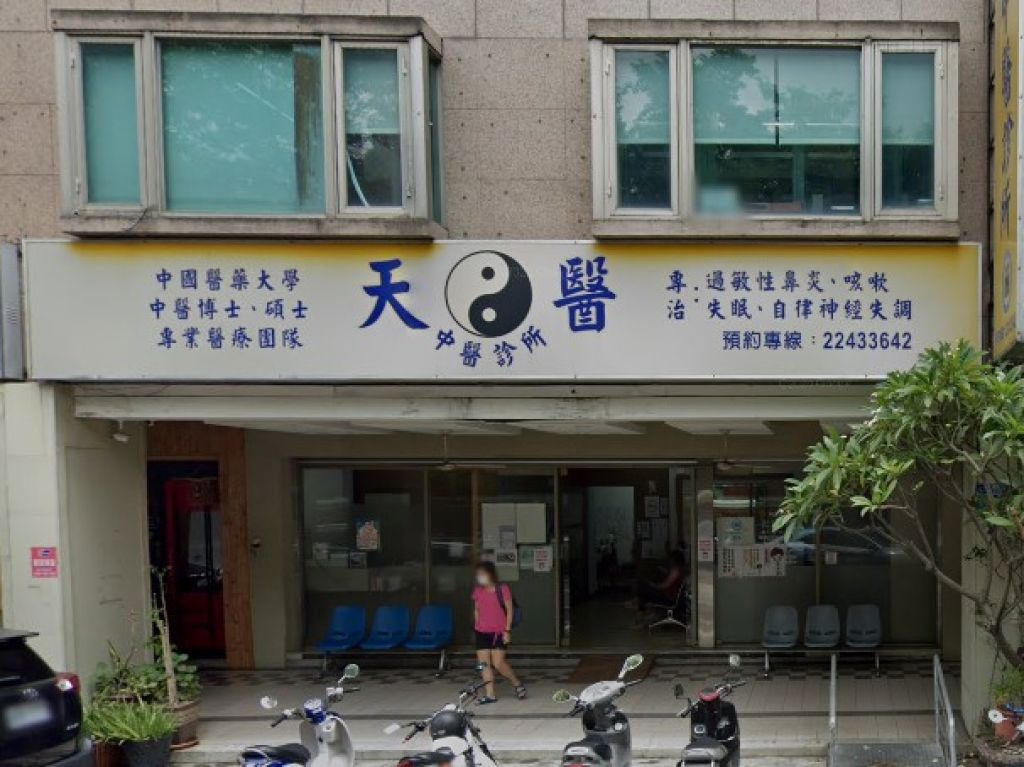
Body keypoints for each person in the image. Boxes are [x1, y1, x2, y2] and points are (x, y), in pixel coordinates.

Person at [471, 561, 526, 703]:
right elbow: (477, 609)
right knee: (484, 664)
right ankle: (490, 694)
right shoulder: (478, 590)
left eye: (482, 573)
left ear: (490, 574)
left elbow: (510, 610)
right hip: (482, 632)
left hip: (499, 632)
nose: (480, 576)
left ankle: (516, 683)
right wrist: (477, 624)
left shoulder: (502, 589)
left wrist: (507, 630)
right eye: (478, 574)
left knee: (498, 663)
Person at [630, 549, 687, 624]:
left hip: (668, 599)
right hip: (668, 596)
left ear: (674, 560)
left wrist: (653, 585)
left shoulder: (675, 571)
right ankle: (640, 611)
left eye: (670, 559)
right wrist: (665, 573)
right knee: (643, 591)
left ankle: (639, 615)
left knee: (643, 588)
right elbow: (671, 582)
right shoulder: (680, 570)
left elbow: (664, 586)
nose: (669, 561)